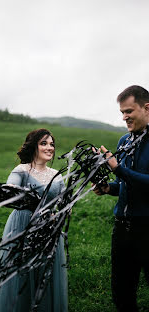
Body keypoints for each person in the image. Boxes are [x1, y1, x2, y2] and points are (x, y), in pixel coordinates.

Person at [0, 128, 68, 312]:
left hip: (49, 229)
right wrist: (9, 190)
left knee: (44, 274)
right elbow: (11, 189)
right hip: (22, 226)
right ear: (34, 146)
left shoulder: (57, 174)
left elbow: (64, 203)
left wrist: (59, 213)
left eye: (52, 144)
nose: (50, 148)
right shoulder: (22, 170)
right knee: (22, 274)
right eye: (44, 143)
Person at [93, 85, 149, 311]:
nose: (125, 117)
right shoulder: (124, 141)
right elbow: (127, 184)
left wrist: (118, 170)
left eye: (129, 111)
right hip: (122, 229)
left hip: (148, 229)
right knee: (122, 292)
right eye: (122, 113)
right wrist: (108, 188)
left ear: (147, 108)